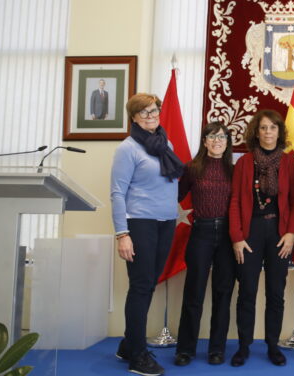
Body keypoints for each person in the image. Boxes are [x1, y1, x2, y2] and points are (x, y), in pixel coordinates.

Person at [111, 93, 184, 376]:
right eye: (144, 113)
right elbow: (117, 192)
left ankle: (129, 345)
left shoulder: (165, 143)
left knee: (148, 285)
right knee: (141, 287)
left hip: (166, 222)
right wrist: (122, 234)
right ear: (134, 119)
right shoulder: (127, 149)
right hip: (139, 223)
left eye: (154, 110)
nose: (151, 116)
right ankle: (138, 357)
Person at [228, 109, 294, 367]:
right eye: (263, 128)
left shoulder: (290, 162)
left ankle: (272, 345)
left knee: (275, 292)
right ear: (255, 133)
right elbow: (235, 200)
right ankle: (244, 346)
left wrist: (291, 233)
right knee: (246, 291)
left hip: (279, 234)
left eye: (272, 127)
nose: (268, 132)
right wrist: (237, 237)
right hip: (249, 234)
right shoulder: (245, 163)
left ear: (279, 131)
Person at [173, 122, 236, 367]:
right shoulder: (192, 168)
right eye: (212, 136)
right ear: (205, 140)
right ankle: (186, 349)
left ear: (227, 141)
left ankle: (216, 349)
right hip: (201, 233)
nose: (217, 140)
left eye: (222, 136)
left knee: (223, 293)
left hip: (228, 238)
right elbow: (174, 196)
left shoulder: (234, 170)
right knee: (194, 292)